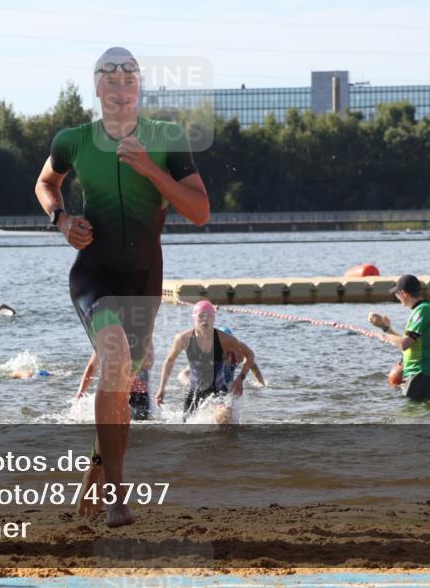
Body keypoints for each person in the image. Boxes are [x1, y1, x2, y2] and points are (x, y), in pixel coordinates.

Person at [34, 47, 209, 527]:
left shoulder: (168, 138)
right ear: (96, 88)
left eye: (128, 74)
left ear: (138, 86)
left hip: (144, 282)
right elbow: (46, 182)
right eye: (108, 75)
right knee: (113, 362)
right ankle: (118, 498)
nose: (118, 81)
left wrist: (150, 168)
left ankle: (98, 463)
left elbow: (199, 211)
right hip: (93, 273)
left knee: (119, 384)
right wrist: (61, 218)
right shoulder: (73, 139)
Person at [157, 301, 262, 419]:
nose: (205, 319)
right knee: (189, 431)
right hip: (193, 392)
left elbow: (250, 355)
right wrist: (161, 388)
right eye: (201, 316)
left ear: (214, 319)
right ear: (194, 318)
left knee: (225, 417)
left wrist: (240, 379)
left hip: (218, 391)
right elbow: (170, 361)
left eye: (209, 316)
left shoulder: (225, 340)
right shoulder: (183, 338)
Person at [368, 274, 430, 402]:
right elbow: (409, 343)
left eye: (397, 294)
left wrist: (385, 335)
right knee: (426, 416)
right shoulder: (427, 308)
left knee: (411, 416)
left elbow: (405, 344)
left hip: (420, 374)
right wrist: (385, 327)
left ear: (403, 293)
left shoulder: (422, 311)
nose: (397, 298)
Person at [77, 340, 155, 421]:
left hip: (136, 393)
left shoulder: (138, 336)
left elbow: (149, 362)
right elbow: (92, 366)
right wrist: (80, 392)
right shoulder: (110, 337)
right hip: (120, 393)